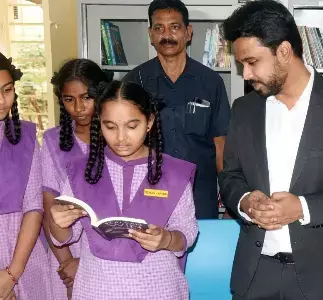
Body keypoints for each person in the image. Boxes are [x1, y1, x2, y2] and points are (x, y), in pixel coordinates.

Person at [219, 1, 323, 299]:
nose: (245, 74)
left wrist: (303, 207)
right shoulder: (244, 109)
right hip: (257, 274)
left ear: (283, 51)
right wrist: (245, 201)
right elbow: (230, 176)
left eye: (252, 62)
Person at [48, 80, 197, 300]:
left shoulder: (174, 172)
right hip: (97, 288)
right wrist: (57, 222)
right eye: (110, 126)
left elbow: (186, 233)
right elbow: (65, 237)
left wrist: (165, 239)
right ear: (99, 122)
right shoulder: (82, 171)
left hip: (157, 287)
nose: (120, 138)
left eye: (131, 126)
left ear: (149, 122)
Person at [123, 0, 231, 219]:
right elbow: (122, 143)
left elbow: (221, 146)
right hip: (147, 194)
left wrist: (229, 199)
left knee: (201, 253)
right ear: (150, 34)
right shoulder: (134, 82)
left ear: (188, 32)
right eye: (158, 28)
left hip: (200, 196)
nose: (167, 35)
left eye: (174, 27)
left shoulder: (211, 82)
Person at [41, 58, 112, 299]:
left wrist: (86, 262)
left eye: (86, 97)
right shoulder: (53, 141)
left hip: (109, 254)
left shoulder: (118, 137)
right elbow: (48, 208)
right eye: (69, 99)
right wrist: (68, 262)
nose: (78, 107)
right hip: (64, 251)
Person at [0, 52, 51, 299]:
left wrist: (11, 274)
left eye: (7, 90)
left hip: (23, 254)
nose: (1, 100)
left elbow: (34, 207)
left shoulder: (27, 138)